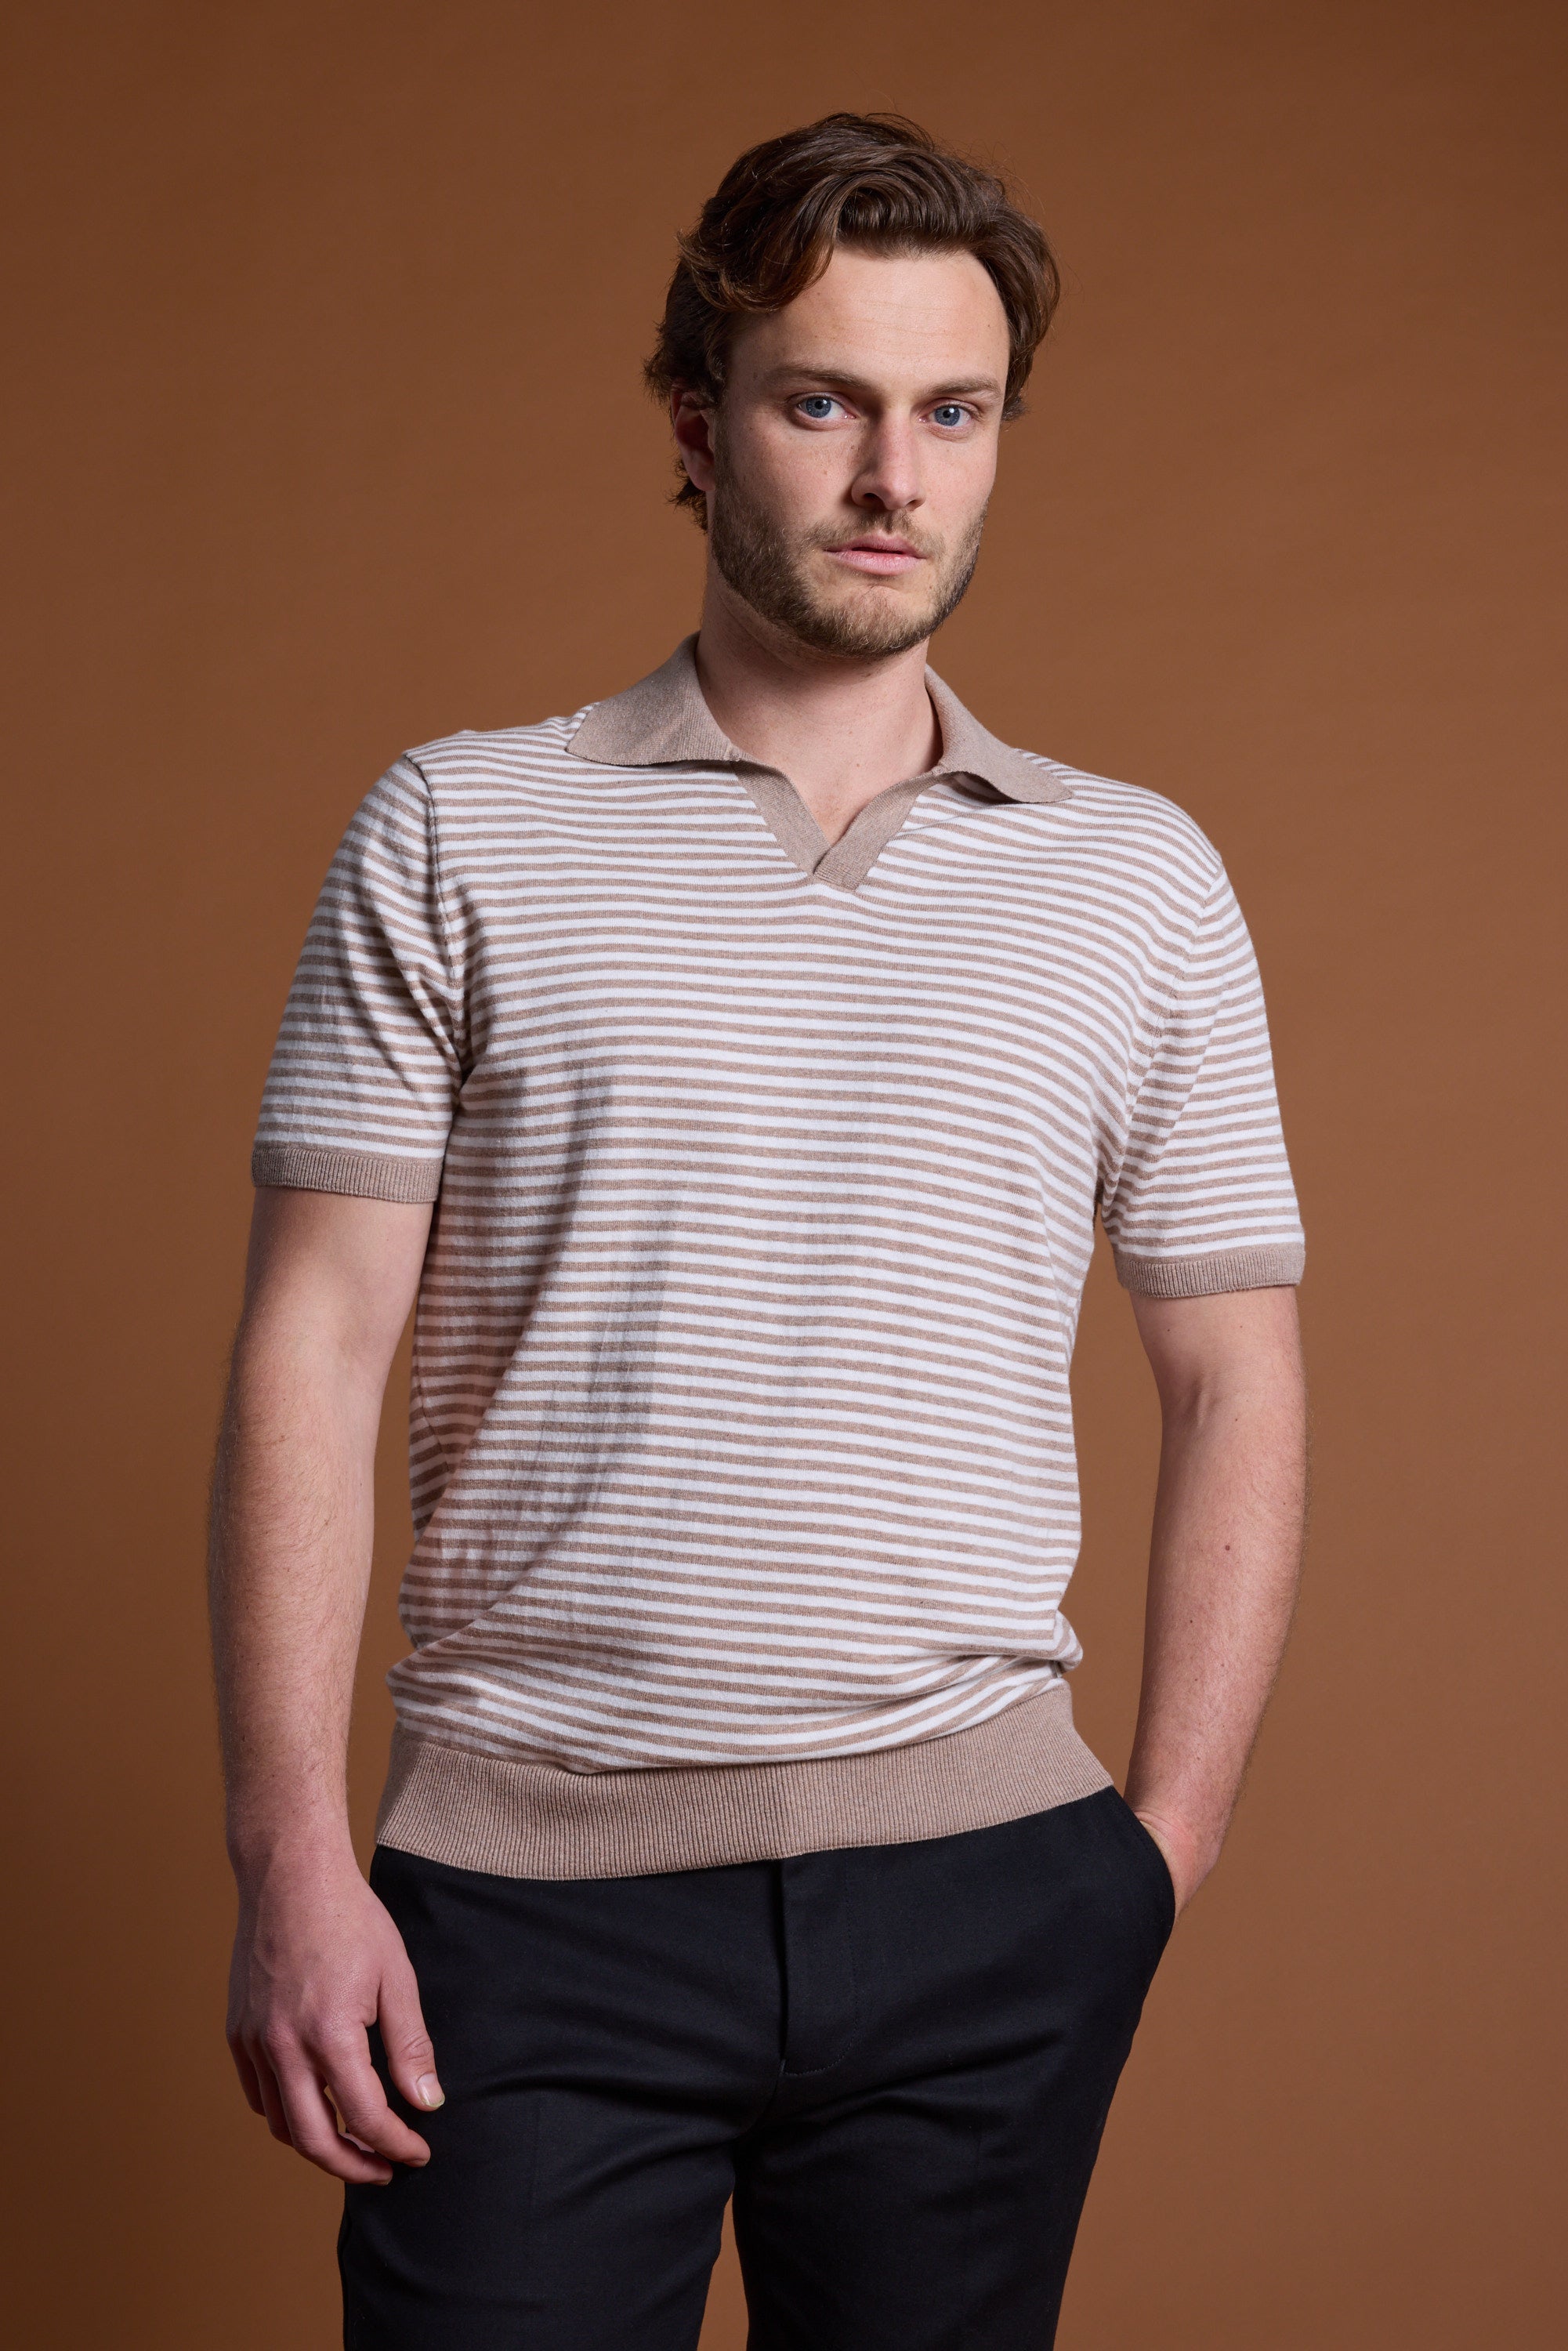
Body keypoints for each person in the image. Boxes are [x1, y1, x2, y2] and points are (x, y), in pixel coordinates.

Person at [209, 111, 1308, 2350]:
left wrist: (1155, 1852)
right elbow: (311, 1354)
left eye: (952, 410)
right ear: (695, 429)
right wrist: (288, 1859)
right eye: (822, 401)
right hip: (520, 1914)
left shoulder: (1134, 877)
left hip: (991, 1900)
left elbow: (1234, 1366)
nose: (893, 475)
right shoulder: (462, 826)